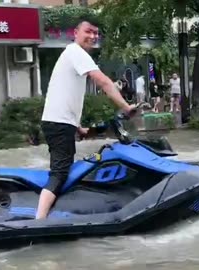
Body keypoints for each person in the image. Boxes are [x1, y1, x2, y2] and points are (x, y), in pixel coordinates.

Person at [36, 17, 136, 220]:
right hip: (58, 123)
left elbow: (66, 94)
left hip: (63, 122)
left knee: (67, 166)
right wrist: (126, 107)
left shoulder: (74, 55)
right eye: (88, 31)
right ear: (76, 33)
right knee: (60, 172)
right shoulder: (76, 52)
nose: (92, 36)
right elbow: (103, 82)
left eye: (96, 33)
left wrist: (79, 128)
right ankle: (39, 221)